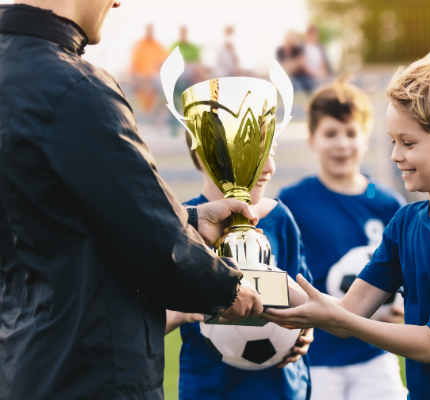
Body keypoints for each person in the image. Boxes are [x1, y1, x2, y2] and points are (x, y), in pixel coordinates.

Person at [0, 2, 269, 399]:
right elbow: (153, 236)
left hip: (23, 362)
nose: (117, 2)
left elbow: (61, 215)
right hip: (89, 367)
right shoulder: (75, 86)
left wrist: (190, 220)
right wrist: (228, 288)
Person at [265, 47, 430, 400]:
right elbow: (351, 308)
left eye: (408, 143)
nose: (396, 155)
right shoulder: (406, 222)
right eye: (393, 141)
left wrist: (336, 319)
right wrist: (256, 284)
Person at [278, 79, 408, 400]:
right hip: (317, 356)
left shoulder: (388, 204)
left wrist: (401, 303)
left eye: (351, 133)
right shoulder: (292, 201)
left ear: (365, 139)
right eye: (331, 134)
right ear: (312, 139)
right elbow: (282, 276)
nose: (342, 144)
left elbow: (407, 273)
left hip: (375, 353)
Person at [166, 139, 313, 400]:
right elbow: (148, 318)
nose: (269, 166)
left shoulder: (281, 219)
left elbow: (308, 300)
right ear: (206, 157)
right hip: (210, 390)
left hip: (282, 389)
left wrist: (307, 329)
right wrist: (192, 309)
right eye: (252, 155)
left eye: (271, 152)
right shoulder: (180, 224)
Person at [131, 23, 167, 114]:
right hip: (141, 75)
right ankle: (148, 112)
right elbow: (134, 64)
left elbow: (165, 60)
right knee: (147, 87)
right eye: (148, 30)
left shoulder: (157, 45)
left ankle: (156, 114)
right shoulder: (139, 45)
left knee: (163, 89)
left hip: (154, 76)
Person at [277, 30, 315, 95]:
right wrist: (296, 63)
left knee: (314, 86)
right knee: (297, 89)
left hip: (303, 76)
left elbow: (302, 62)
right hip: (291, 78)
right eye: (291, 37)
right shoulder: (280, 51)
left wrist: (291, 64)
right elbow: (284, 67)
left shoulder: (298, 49)